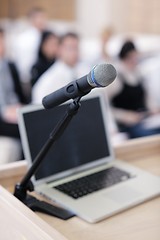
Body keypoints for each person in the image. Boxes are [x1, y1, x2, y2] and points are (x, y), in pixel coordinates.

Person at [106, 40, 160, 139]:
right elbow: (105, 105)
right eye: (131, 57)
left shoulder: (139, 74)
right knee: (149, 136)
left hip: (144, 119)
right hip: (128, 125)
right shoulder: (117, 78)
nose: (135, 61)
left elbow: (146, 98)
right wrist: (124, 116)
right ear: (125, 58)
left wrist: (153, 109)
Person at [32, 32, 90, 103]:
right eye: (70, 48)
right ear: (60, 49)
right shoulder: (49, 79)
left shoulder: (84, 70)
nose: (74, 52)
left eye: (76, 48)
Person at [0, 28, 28, 163]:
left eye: (3, 39)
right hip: (2, 117)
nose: (2, 44)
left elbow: (20, 95)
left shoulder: (10, 66)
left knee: (31, 121)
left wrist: (20, 108)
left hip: (14, 111)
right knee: (26, 129)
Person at [13, 7, 47, 83]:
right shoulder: (26, 39)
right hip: (30, 77)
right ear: (32, 19)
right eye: (40, 17)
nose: (43, 21)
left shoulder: (44, 36)